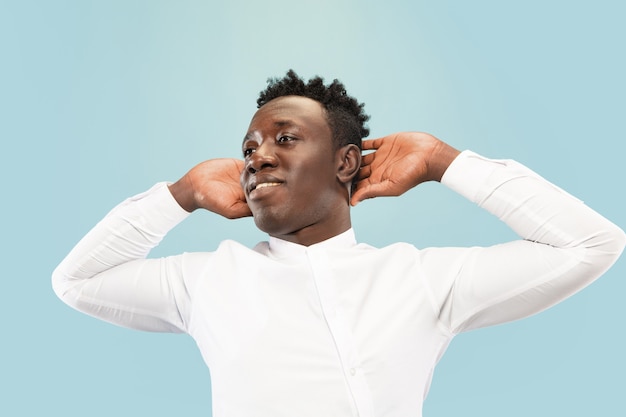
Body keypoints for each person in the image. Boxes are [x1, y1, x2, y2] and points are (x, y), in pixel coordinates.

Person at [52, 70, 625, 417]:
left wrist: (443, 162)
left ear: (345, 162)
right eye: (248, 149)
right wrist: (179, 195)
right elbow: (77, 281)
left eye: (284, 139)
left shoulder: (421, 279)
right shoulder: (207, 281)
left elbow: (591, 244)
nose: (258, 158)